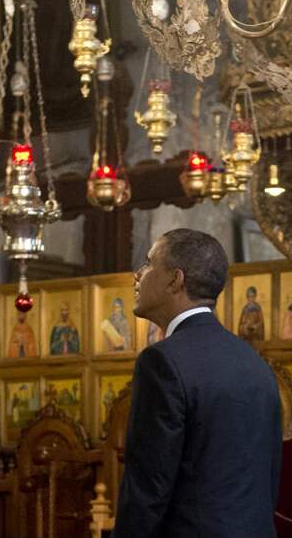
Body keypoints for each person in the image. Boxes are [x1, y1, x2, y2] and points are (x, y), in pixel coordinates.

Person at [114, 229, 280, 538]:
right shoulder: (255, 364)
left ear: (175, 280)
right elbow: (268, 480)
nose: (137, 275)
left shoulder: (162, 362)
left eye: (149, 264)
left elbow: (148, 487)